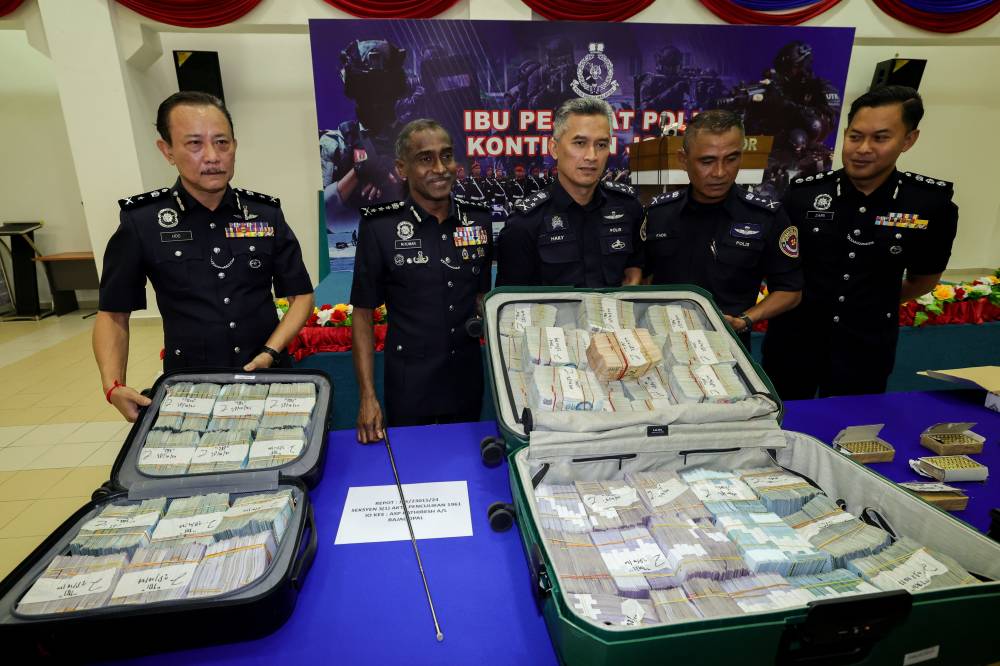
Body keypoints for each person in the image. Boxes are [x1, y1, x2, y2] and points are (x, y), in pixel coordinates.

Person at [94, 91, 314, 422]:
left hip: (269, 377)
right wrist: (113, 386)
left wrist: (270, 351)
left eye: (222, 143)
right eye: (195, 144)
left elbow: (301, 295)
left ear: (235, 147)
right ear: (167, 150)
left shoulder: (264, 214)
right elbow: (113, 314)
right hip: (190, 388)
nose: (212, 156)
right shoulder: (142, 222)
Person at [762, 85, 958, 398]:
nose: (862, 148)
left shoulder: (928, 205)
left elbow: (923, 279)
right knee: (780, 430)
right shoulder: (804, 194)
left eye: (880, 138)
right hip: (793, 345)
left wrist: (868, 303)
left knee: (848, 437)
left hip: (865, 349)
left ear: (908, 140)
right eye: (855, 136)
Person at [351, 119, 493, 442]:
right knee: (417, 481)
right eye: (426, 159)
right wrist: (367, 396)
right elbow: (362, 315)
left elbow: (482, 298)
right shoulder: (380, 228)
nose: (441, 168)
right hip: (409, 388)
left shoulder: (479, 221)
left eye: (447, 156)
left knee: (467, 472)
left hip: (467, 383)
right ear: (402, 169)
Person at [643, 110, 802, 349]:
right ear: (683, 160)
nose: (720, 172)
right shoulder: (658, 213)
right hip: (662, 343)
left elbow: (790, 291)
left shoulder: (766, 216)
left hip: (729, 347)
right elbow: (641, 279)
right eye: (707, 161)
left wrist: (745, 320)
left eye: (731, 159)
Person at [496, 97, 643, 288]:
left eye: (601, 145)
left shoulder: (628, 209)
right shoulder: (525, 223)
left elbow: (637, 275)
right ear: (554, 148)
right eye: (580, 143)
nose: (592, 156)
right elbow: (512, 305)